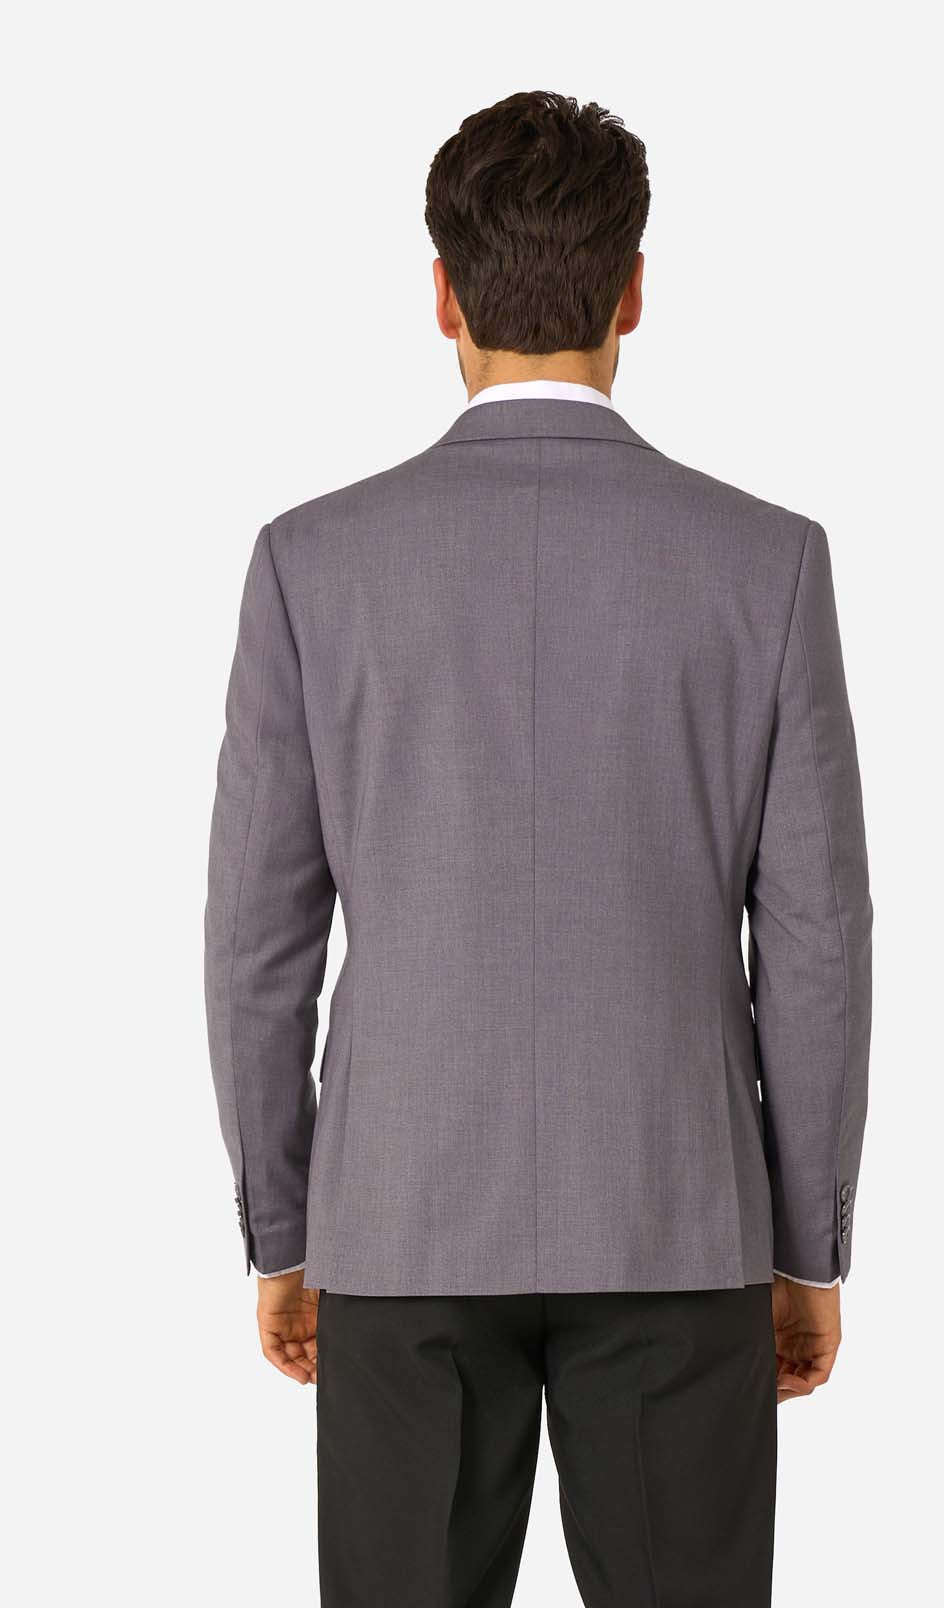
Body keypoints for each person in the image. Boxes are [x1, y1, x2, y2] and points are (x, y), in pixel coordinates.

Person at [204, 88, 872, 1607]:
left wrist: (283, 1230)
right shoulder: (767, 562)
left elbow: (254, 942)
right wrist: (807, 1245)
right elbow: (817, 941)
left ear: (442, 294)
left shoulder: (312, 562)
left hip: (401, 1226)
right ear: (634, 290)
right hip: (681, 1218)